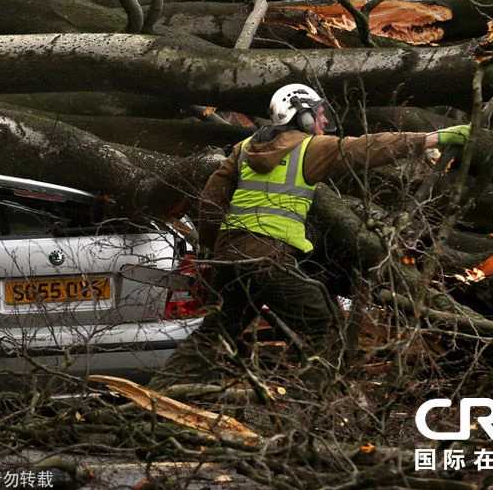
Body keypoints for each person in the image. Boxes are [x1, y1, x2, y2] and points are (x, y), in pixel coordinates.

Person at [148, 83, 469, 392]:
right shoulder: (310, 148)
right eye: (318, 113)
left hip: (232, 258)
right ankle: (307, 411)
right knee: (327, 328)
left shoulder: (243, 149)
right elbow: (368, 147)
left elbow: (210, 202)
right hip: (268, 259)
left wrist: (211, 256)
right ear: (301, 116)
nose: (325, 120)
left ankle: (160, 396)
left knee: (217, 333)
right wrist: (435, 138)